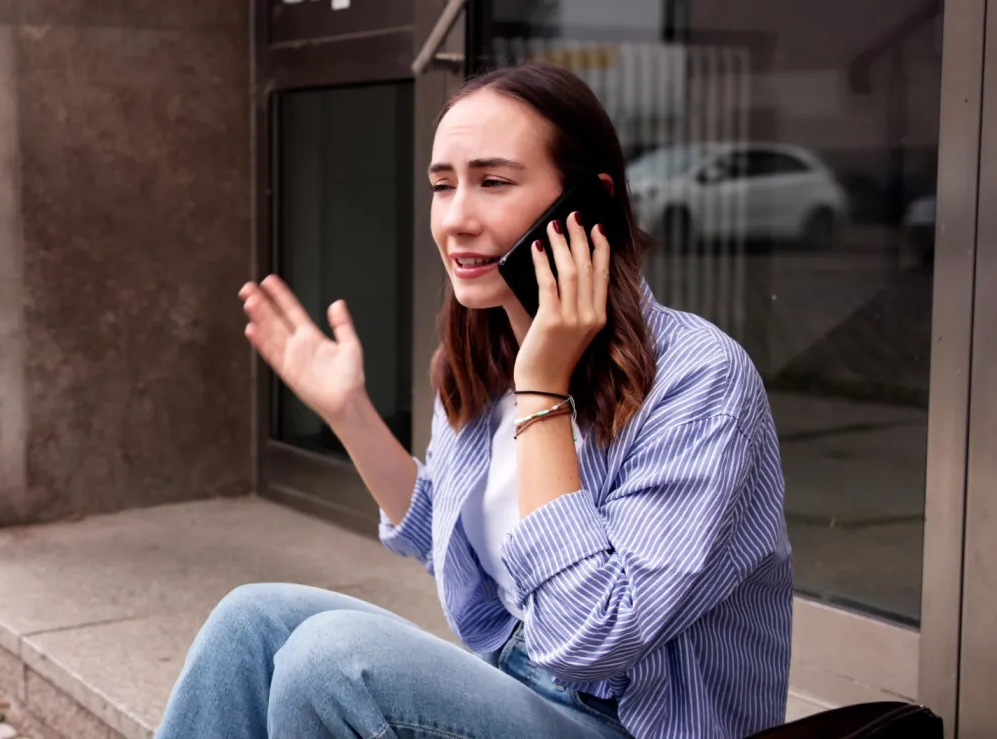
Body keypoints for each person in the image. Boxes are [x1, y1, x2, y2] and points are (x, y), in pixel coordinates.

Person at [154, 63, 792, 739]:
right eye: (442, 186)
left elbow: (591, 635)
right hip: (518, 688)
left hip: (639, 726)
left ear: (588, 203)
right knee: (250, 620)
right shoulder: (485, 357)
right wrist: (349, 411)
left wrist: (543, 391)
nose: (456, 219)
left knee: (333, 663)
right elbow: (449, 537)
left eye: (493, 182)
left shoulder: (700, 381)